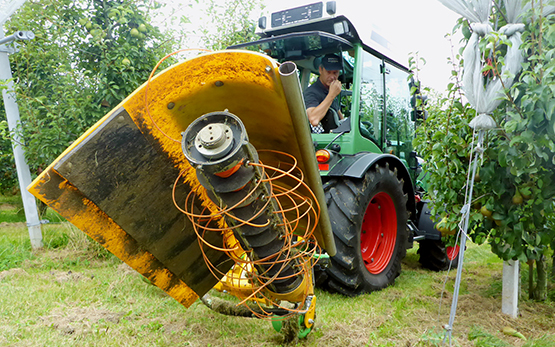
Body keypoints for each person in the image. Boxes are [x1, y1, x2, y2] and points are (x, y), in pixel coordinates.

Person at [303, 54, 344, 133]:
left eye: (335, 73)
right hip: (319, 142)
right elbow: (313, 119)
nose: (332, 77)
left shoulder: (331, 91)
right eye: (328, 72)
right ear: (320, 70)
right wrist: (331, 95)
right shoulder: (311, 92)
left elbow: (339, 115)